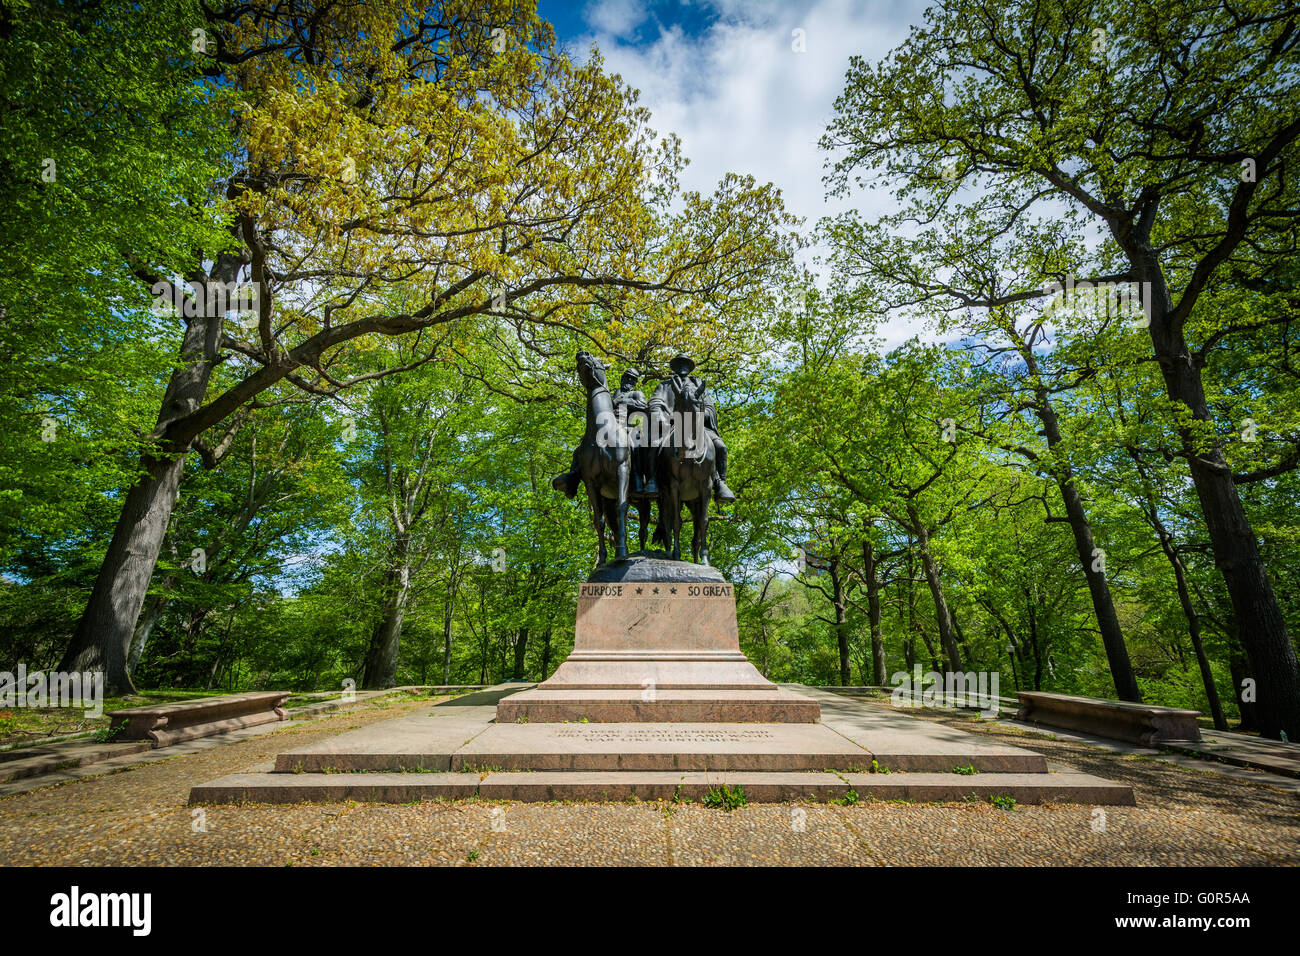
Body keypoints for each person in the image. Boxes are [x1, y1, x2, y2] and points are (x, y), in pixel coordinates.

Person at [647, 353, 736, 503]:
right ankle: (652, 480)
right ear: (674, 367)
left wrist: (699, 416)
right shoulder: (664, 386)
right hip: (672, 426)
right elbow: (655, 403)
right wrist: (663, 418)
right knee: (652, 445)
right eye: (680, 363)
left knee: (720, 447)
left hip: (697, 425)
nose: (683, 366)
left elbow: (710, 408)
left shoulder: (698, 385)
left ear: (690, 368)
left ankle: (719, 482)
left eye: (686, 364)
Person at [551, 367, 651, 499]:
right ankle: (573, 478)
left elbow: (643, 406)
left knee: (636, 444)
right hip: (608, 425)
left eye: (632, 379)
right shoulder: (615, 393)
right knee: (580, 450)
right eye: (627, 377)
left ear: (635, 382)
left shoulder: (636, 394)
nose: (629, 381)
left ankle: (638, 479)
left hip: (626, 426)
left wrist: (623, 401)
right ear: (622, 378)